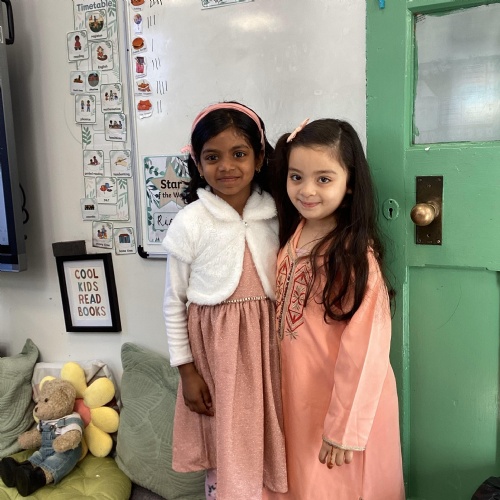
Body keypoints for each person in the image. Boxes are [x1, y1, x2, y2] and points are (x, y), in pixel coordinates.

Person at [265, 118, 405, 499]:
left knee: (337, 485)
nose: (307, 190)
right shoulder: (294, 235)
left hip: (341, 401)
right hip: (298, 392)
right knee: (302, 481)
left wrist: (345, 427)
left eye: (323, 179)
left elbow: (367, 347)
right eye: (296, 177)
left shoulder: (353, 254)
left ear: (350, 184)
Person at [162, 102, 288, 500]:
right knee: (226, 439)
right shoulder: (190, 222)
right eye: (212, 157)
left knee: (273, 432)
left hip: (269, 350)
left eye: (239, 154)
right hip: (217, 358)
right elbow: (173, 303)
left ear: (259, 158)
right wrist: (186, 372)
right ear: (198, 165)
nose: (227, 166)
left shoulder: (277, 214)